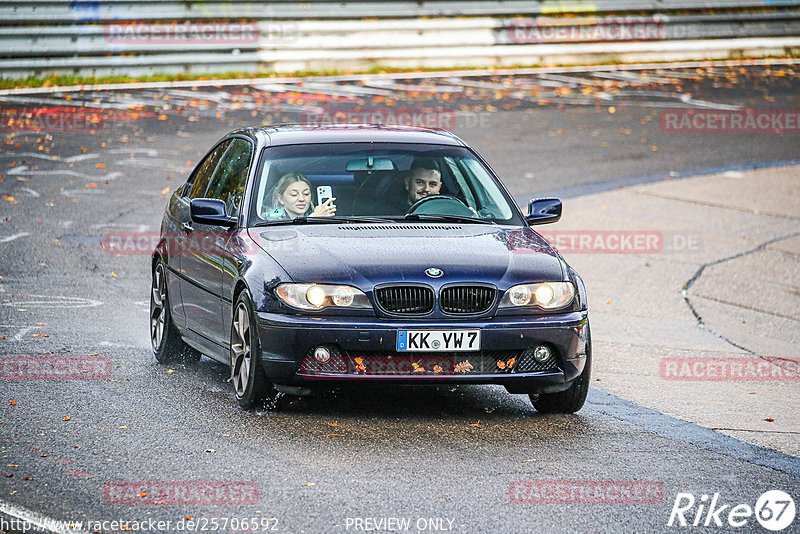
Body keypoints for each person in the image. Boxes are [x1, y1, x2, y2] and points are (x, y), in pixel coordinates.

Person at [265, 172, 336, 220]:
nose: (301, 199)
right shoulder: (272, 216)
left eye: (306, 194)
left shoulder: (316, 214)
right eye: (294, 194)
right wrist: (313, 219)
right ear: (280, 199)